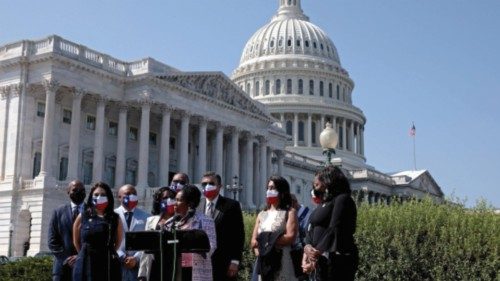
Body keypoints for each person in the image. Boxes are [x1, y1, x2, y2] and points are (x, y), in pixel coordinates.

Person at [302, 166, 359, 281]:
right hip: (321, 260)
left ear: (329, 179)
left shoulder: (343, 199)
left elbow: (334, 227)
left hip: (338, 259)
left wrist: (316, 253)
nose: (315, 184)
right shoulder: (324, 203)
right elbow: (311, 227)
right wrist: (307, 248)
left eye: (320, 179)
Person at [251, 176, 298, 281]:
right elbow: (253, 241)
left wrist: (264, 240)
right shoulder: (261, 214)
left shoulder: (290, 212)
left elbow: (290, 237)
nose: (269, 191)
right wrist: (259, 249)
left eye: (273, 188)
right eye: (268, 188)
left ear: (282, 192)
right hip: (263, 261)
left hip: (282, 261)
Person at [73, 182, 123, 281]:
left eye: (103, 195)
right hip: (86, 261)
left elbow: (118, 241)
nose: (99, 197)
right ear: (91, 197)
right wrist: (84, 253)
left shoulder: (115, 218)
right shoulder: (83, 216)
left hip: (107, 263)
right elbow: (76, 241)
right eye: (96, 195)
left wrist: (108, 251)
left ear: (108, 198)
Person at [199, 172, 244, 281]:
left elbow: (238, 235)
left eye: (211, 183)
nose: (207, 186)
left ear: (220, 186)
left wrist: (235, 261)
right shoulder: (197, 205)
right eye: (204, 184)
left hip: (224, 262)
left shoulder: (231, 205)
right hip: (201, 262)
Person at [166, 184, 217, 281]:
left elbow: (212, 247)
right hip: (175, 270)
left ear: (190, 203)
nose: (175, 203)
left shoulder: (205, 221)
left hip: (196, 272)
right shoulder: (170, 222)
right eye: (175, 200)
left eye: (179, 200)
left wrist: (192, 247)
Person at [137, 186, 177, 281]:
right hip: (154, 264)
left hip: (173, 263)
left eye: (172, 197)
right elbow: (145, 249)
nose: (169, 200)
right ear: (159, 201)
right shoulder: (151, 220)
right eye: (165, 198)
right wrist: (141, 274)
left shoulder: (180, 219)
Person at [48, 180, 86, 281]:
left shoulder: (93, 213)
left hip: (85, 268)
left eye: (82, 190)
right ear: (68, 191)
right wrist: (67, 259)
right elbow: (52, 241)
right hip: (62, 269)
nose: (79, 192)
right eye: (75, 190)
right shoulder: (58, 212)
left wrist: (80, 257)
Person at [115, 184, 150, 281]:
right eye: (127, 194)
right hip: (117, 264)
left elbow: (147, 240)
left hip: (138, 265)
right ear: (119, 197)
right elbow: (109, 239)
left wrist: (136, 258)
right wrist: (122, 256)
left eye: (134, 194)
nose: (131, 196)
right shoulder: (112, 216)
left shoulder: (146, 217)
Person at [290, 194, 311, 280]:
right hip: (292, 253)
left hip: (303, 251)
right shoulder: (290, 214)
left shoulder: (308, 213)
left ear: (294, 203)